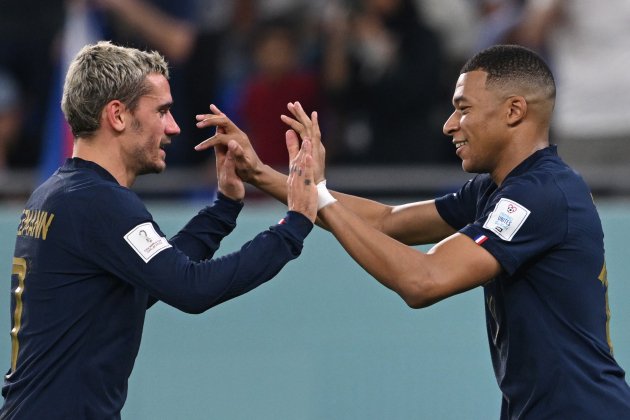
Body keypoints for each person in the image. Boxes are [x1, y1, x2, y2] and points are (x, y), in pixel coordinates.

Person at [195, 45, 630, 418]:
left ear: (514, 110)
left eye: (463, 108)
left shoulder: (540, 194)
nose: (448, 124)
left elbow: (424, 280)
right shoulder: (499, 189)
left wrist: (319, 194)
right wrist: (266, 176)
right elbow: (388, 222)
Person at [1, 41, 317, 418]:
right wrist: (294, 224)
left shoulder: (59, 193)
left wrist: (225, 208)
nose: (173, 127)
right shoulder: (99, 203)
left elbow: (155, 277)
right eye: (162, 111)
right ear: (117, 115)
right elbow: (192, 287)